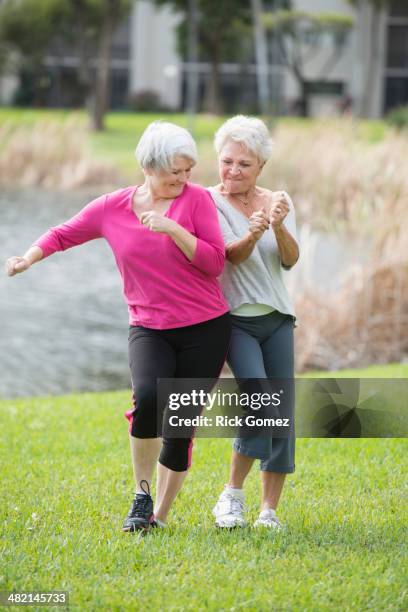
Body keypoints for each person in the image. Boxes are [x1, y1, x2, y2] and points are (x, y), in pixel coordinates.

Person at [5, 120, 231, 532]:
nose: (183, 179)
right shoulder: (112, 207)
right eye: (173, 172)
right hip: (148, 326)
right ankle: (141, 496)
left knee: (179, 424)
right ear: (149, 166)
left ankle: (158, 516)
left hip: (205, 327)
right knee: (147, 398)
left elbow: (215, 262)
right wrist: (27, 258)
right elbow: (63, 234)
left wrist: (173, 228)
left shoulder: (197, 201)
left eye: (187, 171)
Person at [208, 115, 299, 529]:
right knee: (259, 398)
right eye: (227, 161)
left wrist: (277, 225)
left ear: (261, 166)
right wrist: (250, 232)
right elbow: (229, 256)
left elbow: (289, 259)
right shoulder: (206, 201)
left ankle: (269, 512)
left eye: (244, 164)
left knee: (281, 412)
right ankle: (231, 496)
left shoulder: (278, 199)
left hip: (277, 319)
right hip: (234, 321)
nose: (233, 171)